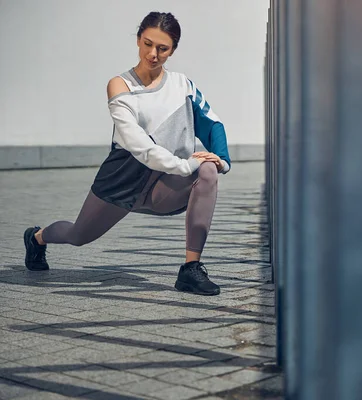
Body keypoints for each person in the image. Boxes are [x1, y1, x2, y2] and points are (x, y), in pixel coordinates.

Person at [22, 11, 231, 296]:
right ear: (138, 40)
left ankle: (190, 270)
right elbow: (138, 144)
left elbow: (212, 123)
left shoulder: (184, 85)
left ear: (173, 50)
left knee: (207, 170)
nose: (153, 54)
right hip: (124, 178)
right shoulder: (120, 85)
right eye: (147, 44)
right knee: (78, 235)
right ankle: (37, 238)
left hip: (163, 184)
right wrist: (183, 165)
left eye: (162, 48)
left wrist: (222, 159)